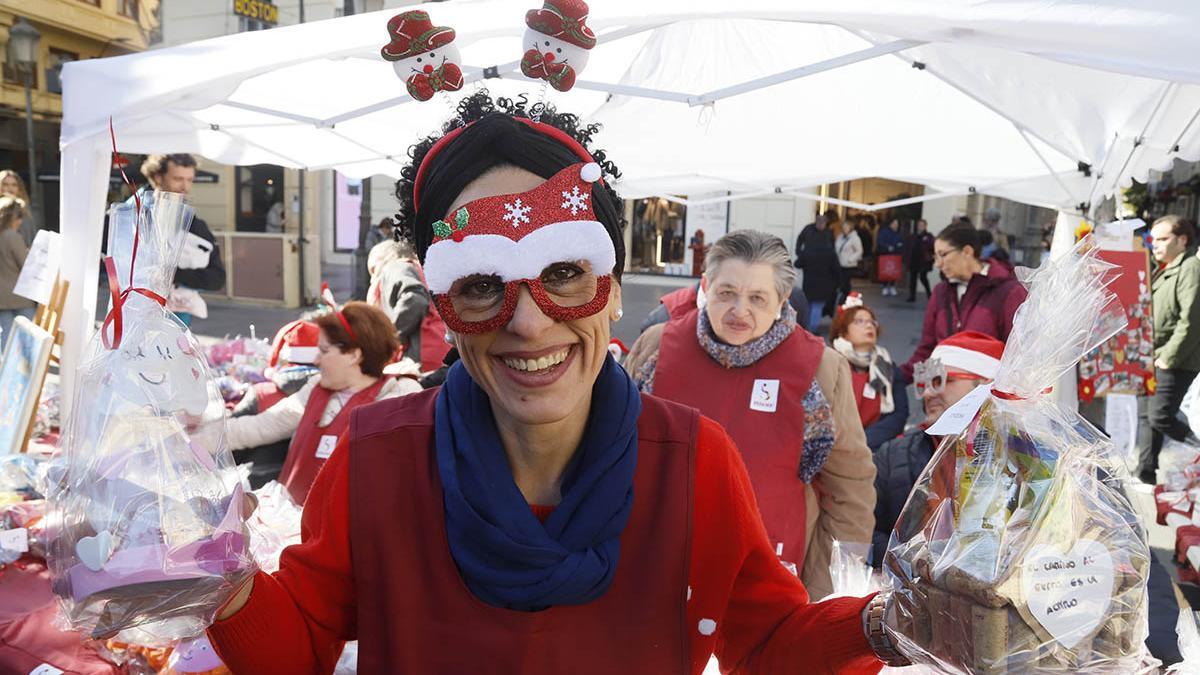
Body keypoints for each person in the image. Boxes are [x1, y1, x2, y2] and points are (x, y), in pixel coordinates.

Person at [207, 94, 894, 673]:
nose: (531, 324)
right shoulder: (378, 456)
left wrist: (886, 623)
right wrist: (206, 573)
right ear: (444, 307)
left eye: (565, 270)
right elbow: (296, 645)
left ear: (615, 291)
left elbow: (771, 643)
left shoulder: (694, 462)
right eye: (481, 285)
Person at [624, 229, 876, 599]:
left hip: (768, 580)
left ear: (782, 299)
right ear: (706, 285)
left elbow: (850, 489)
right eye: (727, 293)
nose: (740, 311)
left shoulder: (819, 368)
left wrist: (825, 589)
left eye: (758, 298)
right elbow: (612, 453)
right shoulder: (658, 347)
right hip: (655, 574)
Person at [225, 301, 419, 504]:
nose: (316, 360)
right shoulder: (317, 388)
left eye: (324, 351)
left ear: (354, 355)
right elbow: (264, 425)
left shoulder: (394, 402)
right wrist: (200, 436)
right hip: (287, 520)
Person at [871, 331, 1003, 565]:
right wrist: (913, 563)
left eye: (942, 380)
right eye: (925, 384)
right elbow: (868, 529)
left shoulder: (1021, 455)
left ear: (984, 384)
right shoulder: (892, 454)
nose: (929, 394)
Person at [901, 222, 1027, 381]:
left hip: (985, 400)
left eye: (943, 254)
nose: (938, 264)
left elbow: (1019, 356)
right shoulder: (941, 292)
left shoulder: (1009, 292)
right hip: (942, 397)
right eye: (935, 256)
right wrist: (897, 377)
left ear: (967, 251)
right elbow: (927, 349)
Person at [1139, 215, 1200, 484]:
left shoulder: (1190, 268)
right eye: (1154, 239)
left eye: (1163, 239)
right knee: (1146, 416)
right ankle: (1145, 472)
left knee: (1160, 416)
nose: (1156, 245)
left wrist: (1168, 357)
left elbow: (1191, 319)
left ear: (1182, 239)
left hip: (1174, 358)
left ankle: (1197, 449)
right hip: (1153, 354)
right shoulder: (1163, 268)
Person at [139, 154, 226, 326]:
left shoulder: (195, 224)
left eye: (189, 180)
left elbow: (217, 278)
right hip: (133, 315)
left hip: (176, 322)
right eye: (178, 179)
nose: (184, 186)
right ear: (158, 177)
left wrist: (174, 274)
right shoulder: (132, 213)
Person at [830, 298, 908, 451]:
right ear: (843, 332)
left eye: (872, 322)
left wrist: (862, 442)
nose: (868, 325)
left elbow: (899, 415)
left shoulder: (887, 367)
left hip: (873, 449)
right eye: (859, 321)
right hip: (834, 448)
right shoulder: (830, 364)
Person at [366, 238, 450, 372]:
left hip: (420, 354)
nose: (372, 279)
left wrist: (390, 336)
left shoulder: (397, 266)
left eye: (373, 269)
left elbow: (414, 300)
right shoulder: (422, 269)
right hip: (439, 349)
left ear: (387, 257)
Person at [795, 210, 842, 331]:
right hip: (824, 283)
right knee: (817, 305)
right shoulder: (829, 252)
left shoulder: (808, 251)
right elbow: (836, 268)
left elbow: (797, 264)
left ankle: (808, 327)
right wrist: (839, 282)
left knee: (810, 304)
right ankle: (812, 328)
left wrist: (800, 254)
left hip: (809, 282)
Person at [0, 196, 34, 338]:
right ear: (13, 217)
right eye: (19, 216)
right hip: (19, 295)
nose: (20, 221)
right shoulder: (13, 236)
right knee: (28, 336)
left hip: (2, 298)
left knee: (6, 337)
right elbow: (26, 266)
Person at [0, 170, 35, 246]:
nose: (10, 188)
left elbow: (30, 238)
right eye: (5, 184)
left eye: (14, 185)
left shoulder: (24, 209)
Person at [905, 218, 934, 302]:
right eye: (919, 225)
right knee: (912, 278)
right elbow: (908, 247)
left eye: (922, 225)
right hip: (914, 259)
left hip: (924, 260)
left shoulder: (928, 236)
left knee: (923, 277)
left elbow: (932, 247)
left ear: (925, 226)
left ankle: (929, 294)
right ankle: (912, 296)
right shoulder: (913, 236)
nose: (920, 227)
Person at [836, 217, 864, 300]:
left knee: (845, 284)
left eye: (846, 227)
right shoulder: (840, 237)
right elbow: (837, 247)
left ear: (850, 228)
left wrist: (850, 259)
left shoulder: (855, 238)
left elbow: (859, 251)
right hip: (840, 263)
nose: (844, 229)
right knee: (840, 282)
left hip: (849, 265)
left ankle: (845, 299)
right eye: (843, 227)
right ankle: (842, 298)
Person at [876, 218, 904, 296]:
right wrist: (887, 247)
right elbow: (880, 242)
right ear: (890, 224)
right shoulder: (884, 232)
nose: (896, 225)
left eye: (897, 224)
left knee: (894, 271)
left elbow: (901, 242)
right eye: (894, 223)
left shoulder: (898, 233)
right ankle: (885, 286)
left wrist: (898, 246)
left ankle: (892, 286)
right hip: (885, 254)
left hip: (895, 254)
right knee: (885, 270)